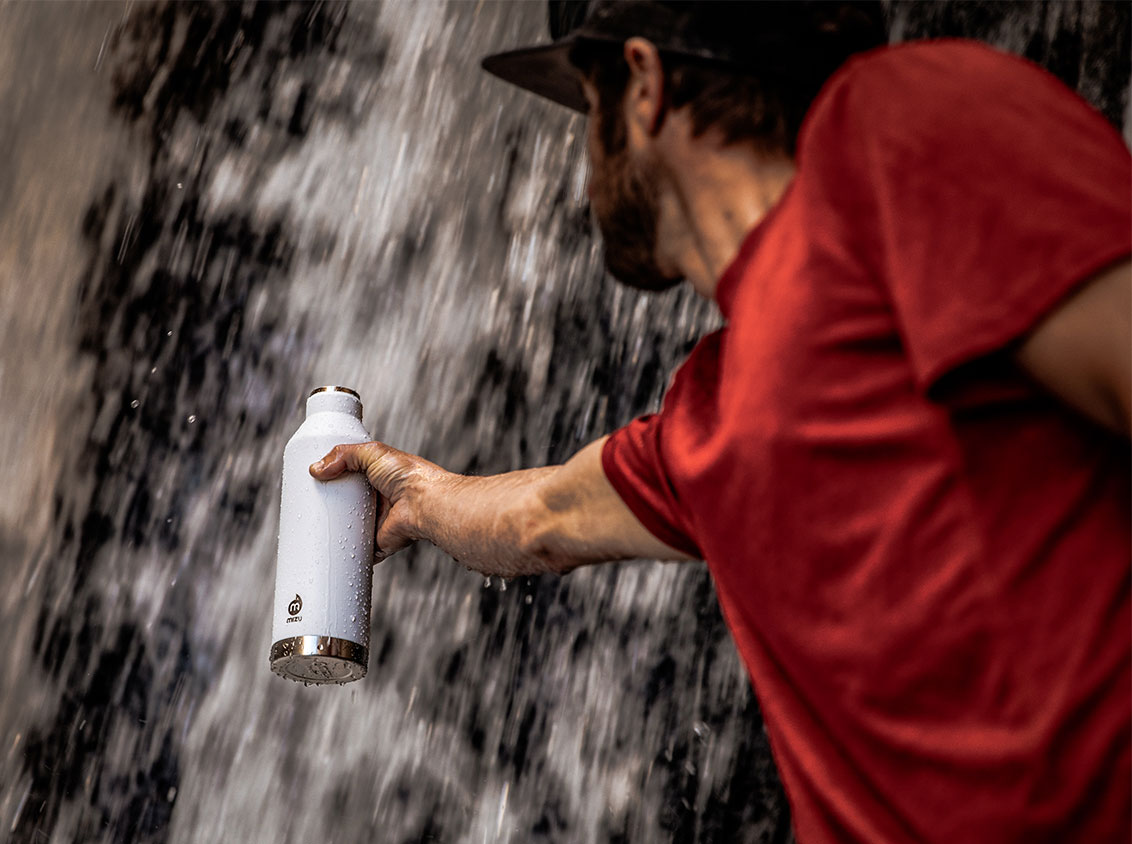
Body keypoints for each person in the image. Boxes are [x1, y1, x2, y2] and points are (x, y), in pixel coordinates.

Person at [309, 1, 1131, 841]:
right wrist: (414, 491)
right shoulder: (710, 418)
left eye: (589, 114)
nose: (583, 163)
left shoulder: (896, 122)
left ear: (644, 84)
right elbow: (539, 520)